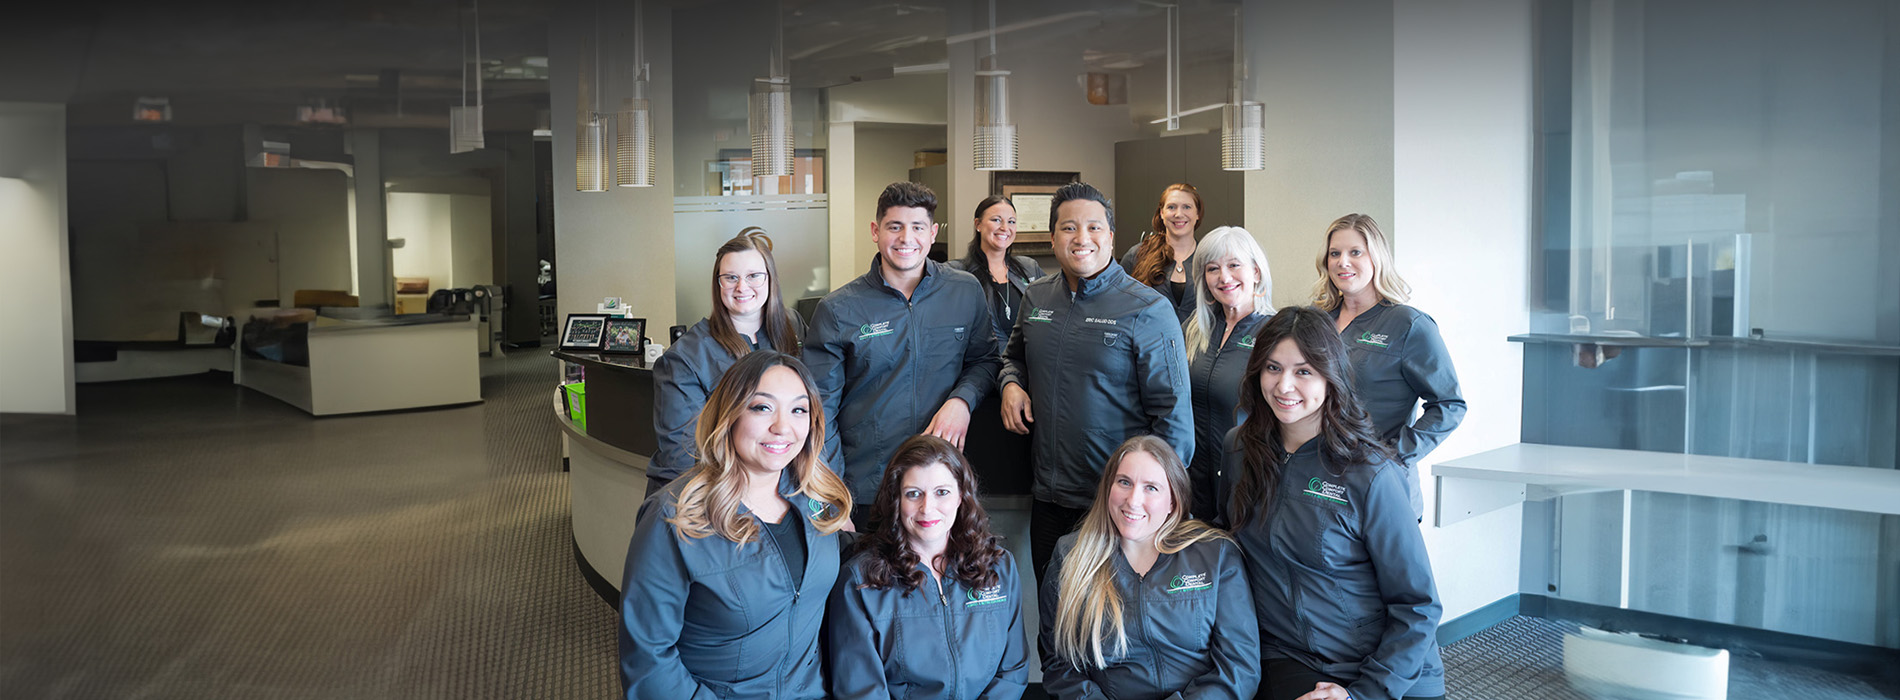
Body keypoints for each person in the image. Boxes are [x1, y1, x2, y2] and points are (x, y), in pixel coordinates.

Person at [1217, 307, 1445, 700]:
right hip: (1291, 656)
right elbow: (1225, 538)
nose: (1284, 385)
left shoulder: (1369, 473)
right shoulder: (1238, 448)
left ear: (1330, 376)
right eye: (1272, 368)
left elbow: (1418, 606)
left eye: (1303, 371)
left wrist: (1362, 694)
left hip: (1390, 671)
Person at [617, 350, 853, 700]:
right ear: (729, 415)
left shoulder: (819, 499)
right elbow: (648, 661)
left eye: (799, 409)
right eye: (762, 407)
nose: (783, 427)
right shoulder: (674, 517)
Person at [998, 181, 1193, 582]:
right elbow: (1013, 358)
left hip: (1115, 508)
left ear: (1110, 236)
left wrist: (1152, 508)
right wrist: (1011, 383)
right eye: (1069, 228)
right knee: (1053, 627)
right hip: (1049, 499)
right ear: (1052, 238)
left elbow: (1175, 423)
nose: (1081, 238)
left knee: (1109, 631)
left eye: (1094, 227)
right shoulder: (1036, 298)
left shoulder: (1147, 309)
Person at [805, 182, 1000, 516]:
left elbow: (985, 360)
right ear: (875, 231)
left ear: (933, 232)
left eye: (917, 227)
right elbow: (818, 415)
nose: (906, 239)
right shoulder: (838, 310)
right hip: (868, 490)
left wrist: (961, 401)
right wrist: (831, 495)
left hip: (941, 490)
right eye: (894, 227)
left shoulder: (964, 291)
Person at [1039, 436, 1260, 700]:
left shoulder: (1216, 553)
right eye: (1124, 482)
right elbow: (1058, 665)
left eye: (1151, 488)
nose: (1133, 500)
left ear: (1173, 502)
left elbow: (1240, 668)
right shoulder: (1071, 555)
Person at [825, 434, 1028, 700]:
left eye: (941, 492)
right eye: (913, 494)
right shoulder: (860, 581)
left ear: (961, 497)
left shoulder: (999, 566)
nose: (927, 508)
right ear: (896, 500)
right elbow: (860, 691)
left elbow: (1013, 671)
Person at [1312, 214, 1465, 519]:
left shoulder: (1409, 324)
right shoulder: (1318, 320)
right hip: (1319, 480)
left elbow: (1449, 405)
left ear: (1377, 257)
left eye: (1356, 252)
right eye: (1335, 253)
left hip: (1382, 487)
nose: (1343, 262)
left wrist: (1393, 456)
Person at [649, 228, 804, 497]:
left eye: (754, 276)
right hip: (719, 495)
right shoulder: (685, 357)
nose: (742, 287)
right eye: (730, 278)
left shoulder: (793, 329)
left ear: (770, 279)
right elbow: (682, 457)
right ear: (717, 284)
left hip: (784, 486)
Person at [1183, 226, 1273, 519]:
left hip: (1247, 478)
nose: (1224, 277)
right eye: (1213, 269)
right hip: (1193, 480)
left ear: (1256, 272)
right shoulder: (1194, 331)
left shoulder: (1275, 334)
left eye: (1234, 265)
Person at [945, 195, 1047, 350]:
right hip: (983, 366)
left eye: (1011, 221)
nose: (1005, 228)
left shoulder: (1029, 268)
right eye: (996, 220)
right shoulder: (957, 272)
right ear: (978, 224)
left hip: (1027, 364)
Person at [1120, 183, 1205, 323]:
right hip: (1149, 343)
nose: (1179, 214)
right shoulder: (1136, 255)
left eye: (1187, 207)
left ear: (1197, 214)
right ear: (1161, 213)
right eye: (1171, 207)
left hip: (1200, 343)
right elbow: (1119, 306)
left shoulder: (1209, 258)